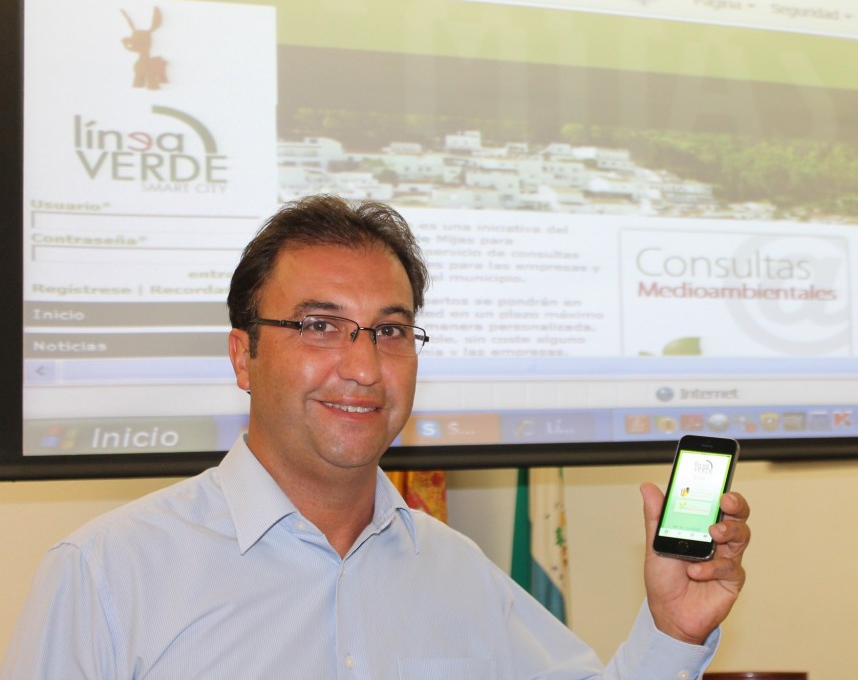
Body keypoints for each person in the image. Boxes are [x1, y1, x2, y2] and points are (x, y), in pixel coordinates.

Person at [1, 194, 751, 679]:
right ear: (242, 356)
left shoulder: (458, 572)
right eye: (319, 326)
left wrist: (672, 631)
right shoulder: (105, 575)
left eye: (389, 331)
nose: (362, 368)